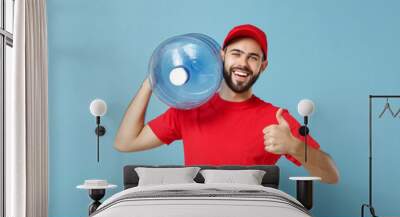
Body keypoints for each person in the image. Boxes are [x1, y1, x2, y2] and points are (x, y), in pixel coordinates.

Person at [114, 24, 340, 184]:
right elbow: (126, 142)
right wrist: (151, 82)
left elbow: (331, 175)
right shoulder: (190, 109)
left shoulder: (276, 118)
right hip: (197, 216)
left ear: (263, 65)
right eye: (236, 54)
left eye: (253, 57)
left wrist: (295, 147)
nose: (243, 63)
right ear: (221, 56)